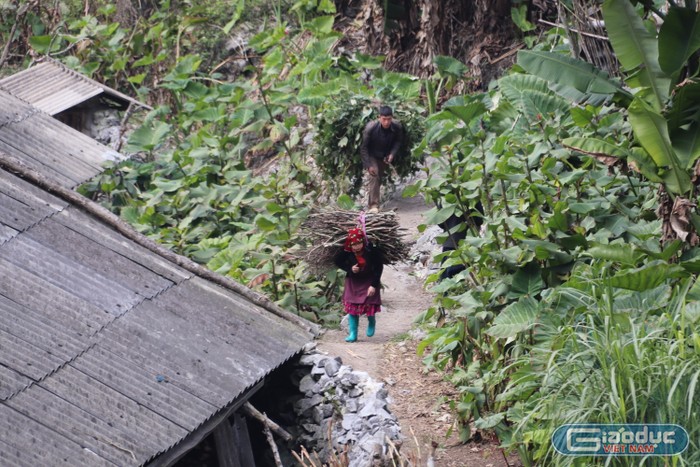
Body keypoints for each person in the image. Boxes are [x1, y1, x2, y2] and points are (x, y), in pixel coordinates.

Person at [334, 227, 384, 342]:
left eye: (358, 243)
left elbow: (378, 268)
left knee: (369, 304)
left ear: (363, 241)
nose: (356, 247)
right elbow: (337, 261)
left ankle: (371, 322)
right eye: (353, 244)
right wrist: (350, 269)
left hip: (369, 280)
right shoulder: (347, 252)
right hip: (353, 282)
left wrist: (373, 285)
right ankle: (353, 334)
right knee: (352, 308)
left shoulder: (372, 251)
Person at [360, 105, 404, 213]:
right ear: (379, 118)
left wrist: (392, 154)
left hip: (384, 155)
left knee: (378, 178)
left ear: (392, 118)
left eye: (389, 119)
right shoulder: (370, 128)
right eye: (384, 119)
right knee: (374, 174)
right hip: (372, 154)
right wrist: (368, 164)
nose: (386, 122)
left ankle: (372, 203)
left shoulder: (397, 127)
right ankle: (374, 206)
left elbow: (398, 141)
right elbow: (364, 147)